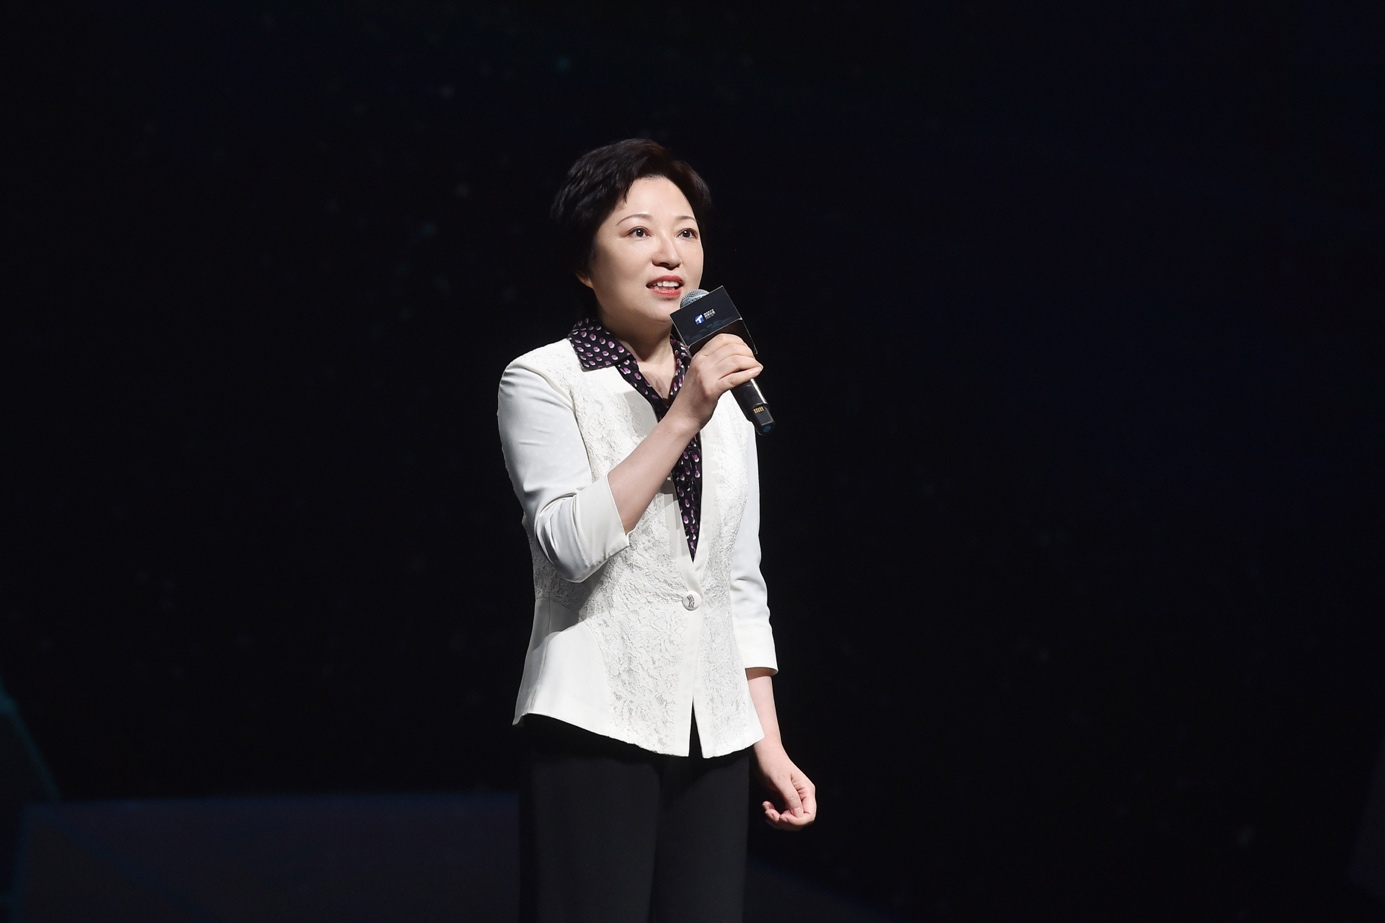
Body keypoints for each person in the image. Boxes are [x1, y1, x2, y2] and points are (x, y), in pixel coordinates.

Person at [497, 138, 815, 923]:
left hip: (714, 732)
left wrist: (766, 740)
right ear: (584, 263)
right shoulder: (543, 379)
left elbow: (737, 583)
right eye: (637, 231)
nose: (669, 252)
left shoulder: (722, 389)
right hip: (594, 720)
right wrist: (683, 415)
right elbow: (570, 546)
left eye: (685, 232)